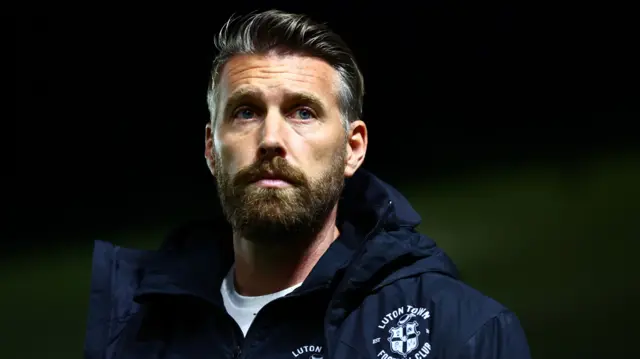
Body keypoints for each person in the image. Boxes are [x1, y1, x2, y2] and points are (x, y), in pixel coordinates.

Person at [84, 9, 531, 359]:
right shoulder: (134, 331)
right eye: (246, 112)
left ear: (353, 148)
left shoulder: (457, 332)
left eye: (303, 112)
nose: (271, 140)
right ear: (210, 148)